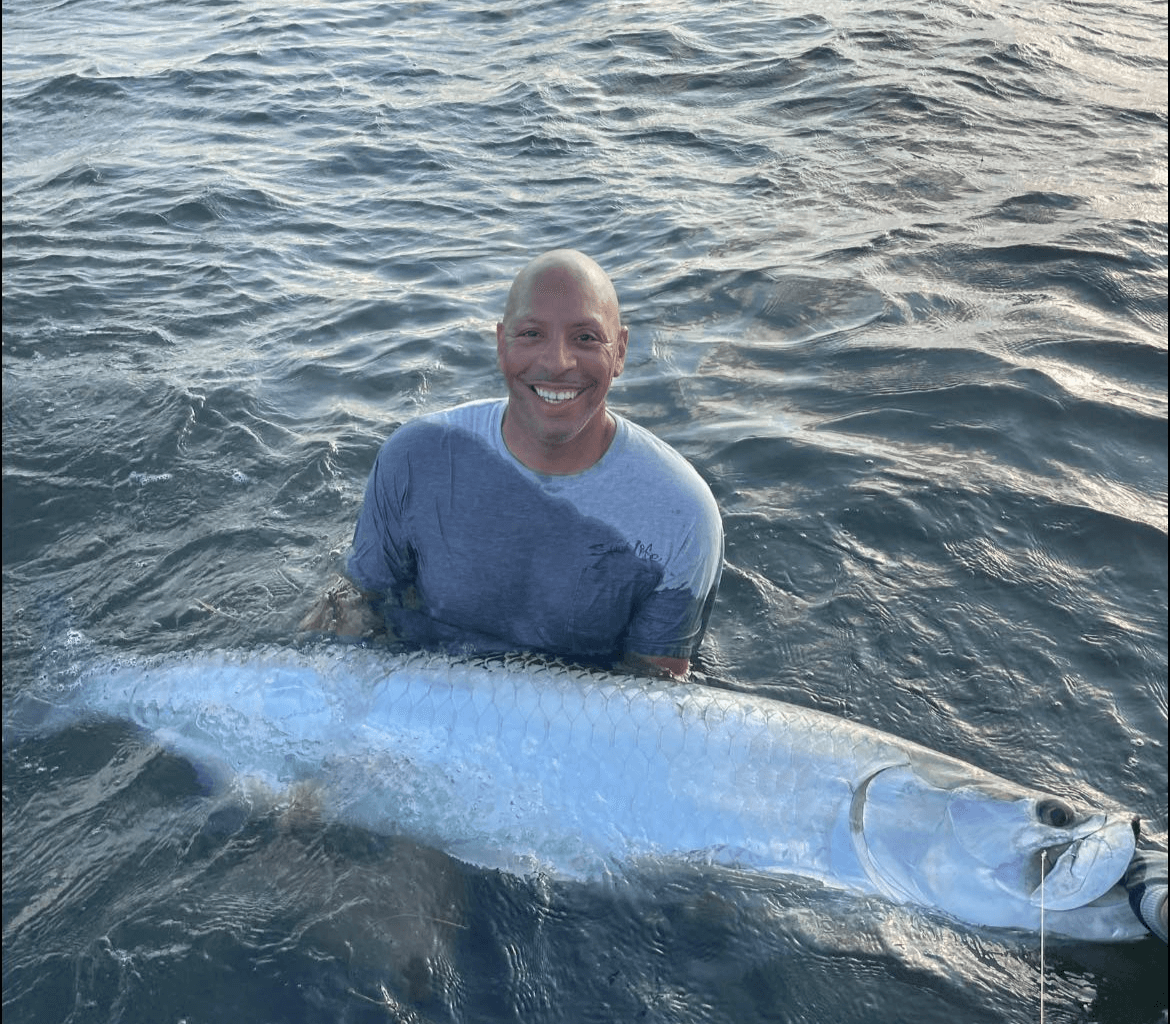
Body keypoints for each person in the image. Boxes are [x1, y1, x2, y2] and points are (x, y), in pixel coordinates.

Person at [300, 249, 723, 679]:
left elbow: (651, 696)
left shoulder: (681, 513)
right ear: (501, 345)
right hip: (417, 700)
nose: (558, 363)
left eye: (586, 338)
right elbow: (356, 604)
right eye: (532, 334)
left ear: (621, 353)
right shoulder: (415, 458)